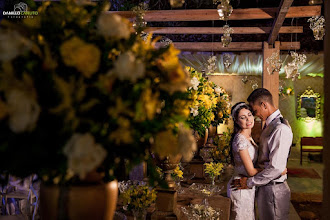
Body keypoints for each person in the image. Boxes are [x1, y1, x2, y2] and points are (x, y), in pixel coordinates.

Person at [232, 88, 293, 220]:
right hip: (265, 187)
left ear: (264, 105)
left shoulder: (280, 128)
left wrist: (249, 182)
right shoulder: (269, 125)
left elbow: (276, 167)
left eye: (254, 112)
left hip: (274, 189)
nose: (254, 116)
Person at [227, 102, 260, 219]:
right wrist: (274, 170)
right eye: (243, 117)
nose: (248, 119)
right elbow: (251, 171)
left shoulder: (249, 137)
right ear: (236, 120)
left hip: (247, 186)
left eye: (249, 115)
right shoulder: (240, 139)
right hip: (240, 187)